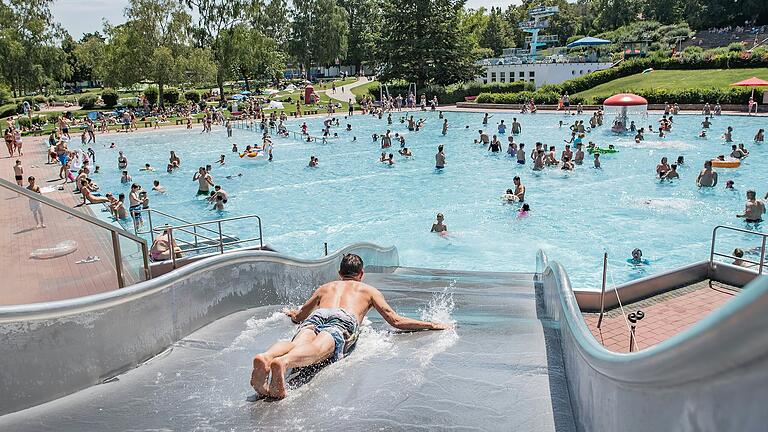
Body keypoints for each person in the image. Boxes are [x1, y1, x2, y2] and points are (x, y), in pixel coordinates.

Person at [250, 254, 449, 399]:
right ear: (361, 274)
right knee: (318, 348)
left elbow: (300, 316)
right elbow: (394, 320)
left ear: (339, 273)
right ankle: (283, 363)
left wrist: (291, 314)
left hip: (318, 316)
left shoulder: (326, 287)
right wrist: (431, 324)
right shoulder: (368, 290)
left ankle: (268, 356)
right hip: (342, 321)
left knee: (298, 342)